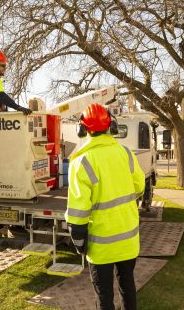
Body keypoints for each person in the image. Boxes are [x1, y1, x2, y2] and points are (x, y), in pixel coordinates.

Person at [65, 103, 145, 310]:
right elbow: (139, 186)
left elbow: (78, 211)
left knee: (104, 297)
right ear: (112, 126)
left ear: (82, 129)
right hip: (128, 240)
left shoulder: (80, 162)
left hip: (101, 247)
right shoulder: (125, 153)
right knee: (127, 286)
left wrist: (79, 241)